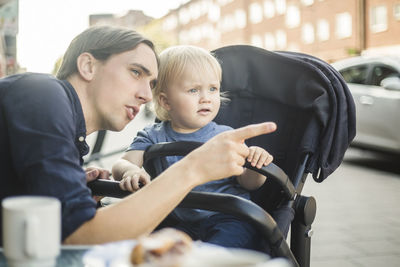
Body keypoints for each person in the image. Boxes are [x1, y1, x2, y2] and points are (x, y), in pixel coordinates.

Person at [0, 26, 277, 246]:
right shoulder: (44, 95)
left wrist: (74, 194)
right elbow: (76, 235)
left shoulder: (65, 130)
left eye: (152, 84)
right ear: (88, 66)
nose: (146, 95)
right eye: (136, 72)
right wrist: (193, 168)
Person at [112, 45, 274, 250]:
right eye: (194, 90)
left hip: (229, 218)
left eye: (213, 89)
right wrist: (130, 171)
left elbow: (249, 183)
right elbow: (123, 162)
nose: (206, 97)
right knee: (145, 248)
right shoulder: (152, 135)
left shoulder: (226, 136)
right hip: (178, 222)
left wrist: (256, 163)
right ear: (165, 101)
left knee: (211, 255)